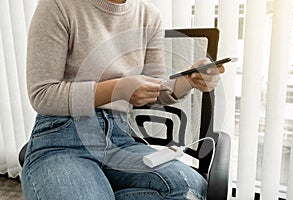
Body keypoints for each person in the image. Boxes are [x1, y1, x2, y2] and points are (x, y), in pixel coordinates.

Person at [21, 0, 224, 199]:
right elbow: (43, 94)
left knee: (189, 189)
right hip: (62, 139)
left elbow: (156, 88)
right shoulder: (58, 5)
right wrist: (117, 89)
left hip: (121, 138)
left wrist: (189, 80)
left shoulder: (148, 14)